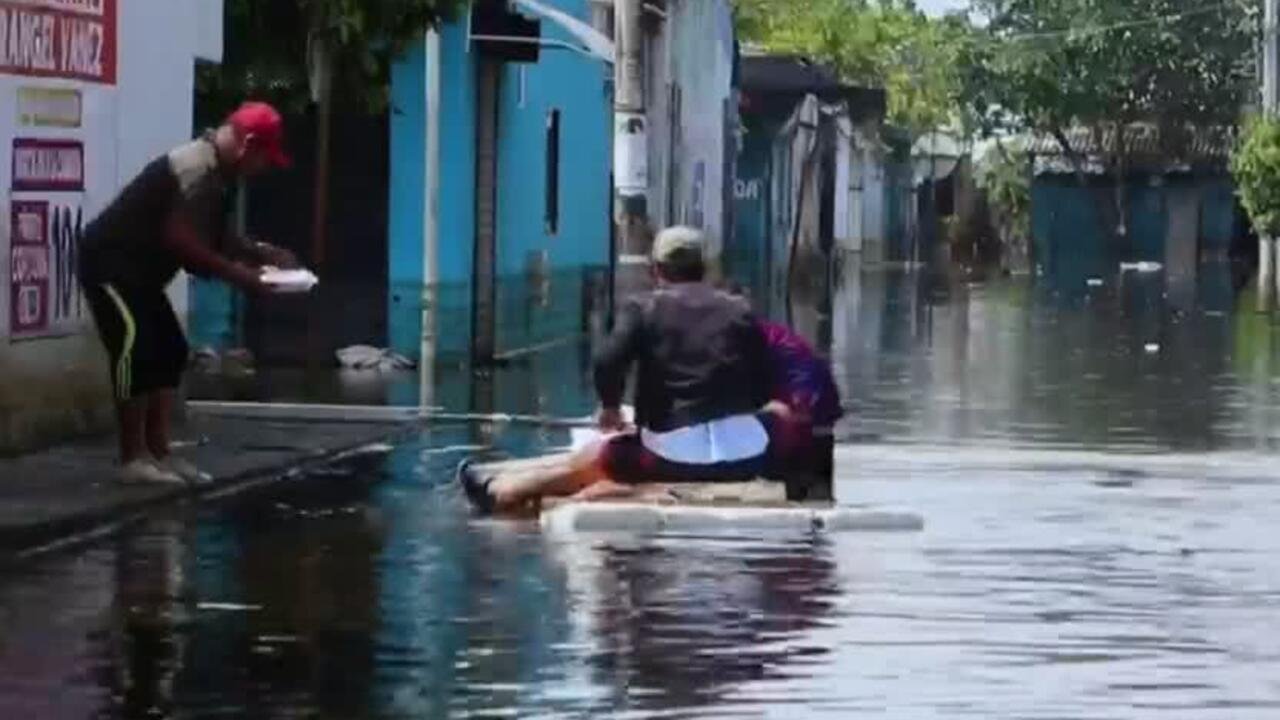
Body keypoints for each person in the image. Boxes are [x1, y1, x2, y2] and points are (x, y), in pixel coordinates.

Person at [458, 226, 781, 513]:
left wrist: (610, 408)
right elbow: (765, 381)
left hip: (673, 457)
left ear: (655, 270)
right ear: (705, 268)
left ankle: (503, 490)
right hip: (747, 455)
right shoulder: (741, 310)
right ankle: (502, 479)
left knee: (605, 455)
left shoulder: (643, 307)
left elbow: (606, 361)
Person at [78, 101, 297, 485]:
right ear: (247, 146)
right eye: (264, 158)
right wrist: (240, 276)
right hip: (110, 265)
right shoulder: (196, 168)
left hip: (143, 275)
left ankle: (159, 451)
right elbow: (182, 241)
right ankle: (133, 457)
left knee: (171, 349)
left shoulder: (222, 174)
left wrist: (261, 253)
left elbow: (215, 235)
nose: (263, 168)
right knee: (134, 346)